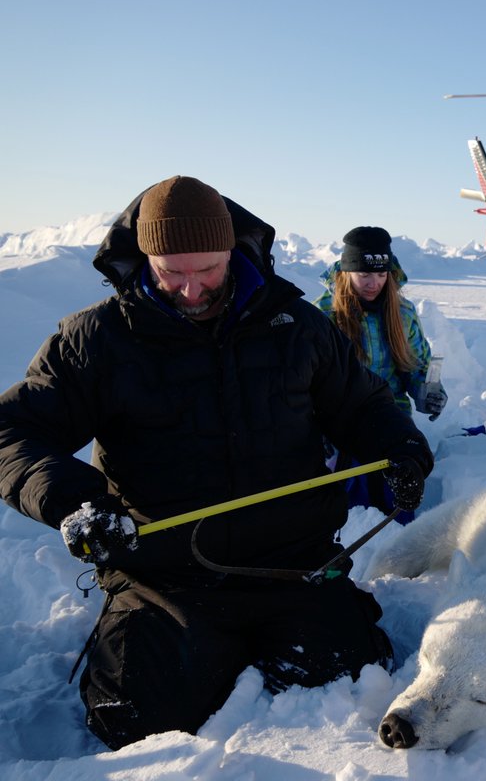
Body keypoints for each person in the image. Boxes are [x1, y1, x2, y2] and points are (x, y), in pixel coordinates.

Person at [0, 176, 434, 750]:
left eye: (205, 270)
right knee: (133, 716)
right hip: (165, 576)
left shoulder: (296, 327)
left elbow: (365, 404)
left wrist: (402, 450)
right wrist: (73, 499)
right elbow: (12, 432)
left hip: (294, 565)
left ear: (233, 251)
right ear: (144, 257)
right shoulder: (97, 339)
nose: (189, 288)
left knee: (350, 682)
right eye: (171, 271)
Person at [315, 226, 446, 514]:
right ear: (347, 272)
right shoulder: (322, 315)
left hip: (392, 421)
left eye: (381, 274)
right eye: (364, 275)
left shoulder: (403, 312)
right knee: (348, 504)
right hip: (339, 424)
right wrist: (313, 428)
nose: (373, 283)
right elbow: (306, 382)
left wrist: (427, 392)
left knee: (399, 489)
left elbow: (417, 367)